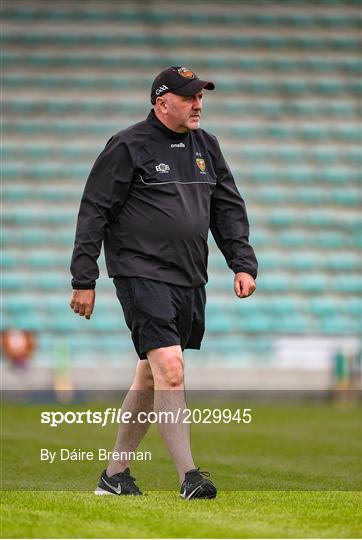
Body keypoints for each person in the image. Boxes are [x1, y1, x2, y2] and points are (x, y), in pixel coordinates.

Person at [70, 66, 258, 500]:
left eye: (201, 97)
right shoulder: (127, 145)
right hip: (140, 272)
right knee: (171, 370)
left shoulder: (207, 146)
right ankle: (190, 477)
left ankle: (114, 477)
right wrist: (84, 276)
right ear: (162, 103)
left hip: (189, 277)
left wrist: (242, 263)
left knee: (152, 378)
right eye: (189, 97)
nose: (198, 104)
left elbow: (227, 208)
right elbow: (94, 210)